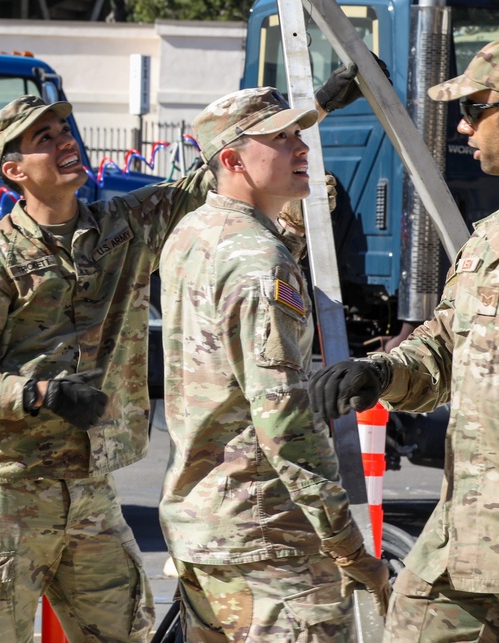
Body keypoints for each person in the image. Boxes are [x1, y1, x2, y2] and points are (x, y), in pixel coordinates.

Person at [0, 66, 372, 643]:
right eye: (45, 140)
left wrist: (313, 111)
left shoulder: (124, 226)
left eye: (65, 131)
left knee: (123, 633)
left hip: (90, 488)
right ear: (13, 171)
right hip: (9, 492)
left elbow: (218, 168)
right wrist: (37, 394)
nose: (66, 144)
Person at [308, 34, 499, 641]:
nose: (463, 129)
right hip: (457, 544)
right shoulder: (492, 233)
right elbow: (446, 344)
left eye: (473, 110)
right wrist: (380, 374)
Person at [158, 86, 391, 641]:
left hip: (205, 528)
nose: (301, 148)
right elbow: (285, 424)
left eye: (298, 134)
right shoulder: (261, 263)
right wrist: (348, 548)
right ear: (232, 160)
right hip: (269, 543)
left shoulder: (190, 235)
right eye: (280, 139)